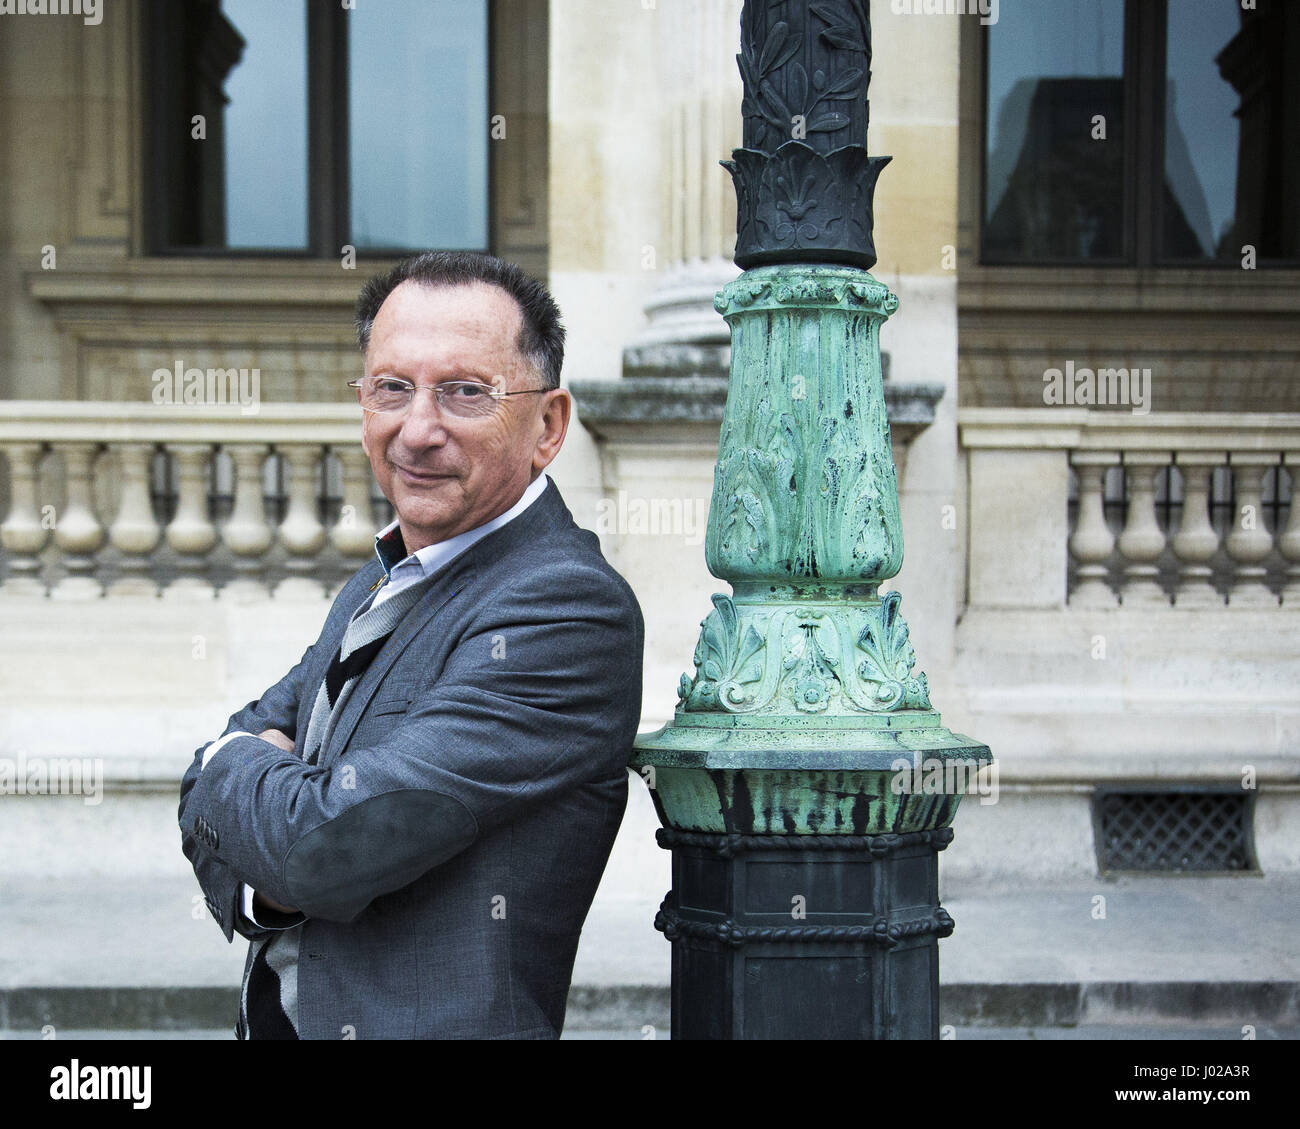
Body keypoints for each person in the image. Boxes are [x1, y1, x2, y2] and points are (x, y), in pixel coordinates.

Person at [178, 251, 645, 1039]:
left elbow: (316, 847)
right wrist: (273, 848)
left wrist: (232, 765)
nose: (417, 430)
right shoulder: (385, 575)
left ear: (549, 425)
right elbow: (269, 801)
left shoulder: (567, 609)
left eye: (465, 392)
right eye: (392, 388)